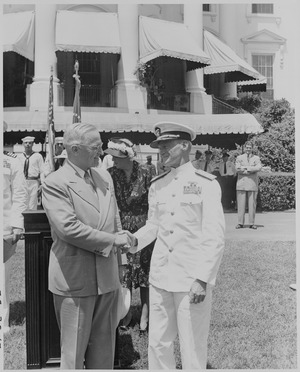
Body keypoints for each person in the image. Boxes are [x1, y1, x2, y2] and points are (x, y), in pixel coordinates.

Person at [129, 121, 225, 369]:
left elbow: (214, 236)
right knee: (158, 342)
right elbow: (154, 225)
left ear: (185, 146)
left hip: (190, 277)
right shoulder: (158, 184)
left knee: (192, 344)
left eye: (166, 145)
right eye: (158, 146)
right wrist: (134, 240)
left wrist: (202, 279)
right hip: (161, 275)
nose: (160, 151)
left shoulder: (206, 184)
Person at [42, 123, 135, 369]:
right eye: (96, 147)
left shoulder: (103, 177)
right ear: (74, 149)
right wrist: (113, 240)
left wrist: (121, 262)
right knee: (72, 354)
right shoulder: (55, 182)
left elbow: (114, 221)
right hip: (75, 282)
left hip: (107, 278)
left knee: (104, 352)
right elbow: (68, 228)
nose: (102, 151)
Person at [105, 138, 154, 333]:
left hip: (144, 228)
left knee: (145, 273)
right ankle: (124, 313)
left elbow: (154, 201)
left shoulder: (147, 172)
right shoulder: (109, 175)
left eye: (116, 156)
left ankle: (145, 316)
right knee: (122, 272)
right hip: (120, 227)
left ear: (128, 156)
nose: (112, 159)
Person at [3, 123, 28, 334]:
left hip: (3, 228)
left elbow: (20, 195)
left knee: (2, 276)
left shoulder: (12, 162)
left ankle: (2, 323)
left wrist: (17, 225)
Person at [235, 141, 262, 229]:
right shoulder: (239, 157)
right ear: (244, 148)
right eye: (247, 147)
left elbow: (258, 167)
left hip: (252, 184)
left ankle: (251, 223)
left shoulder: (256, 158)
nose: (248, 149)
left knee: (252, 205)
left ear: (252, 148)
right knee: (241, 204)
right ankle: (240, 223)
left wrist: (247, 169)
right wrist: (251, 169)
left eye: (250, 147)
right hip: (241, 183)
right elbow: (237, 168)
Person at [18, 136, 44, 210]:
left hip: (34, 183)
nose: (28, 144)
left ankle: (31, 220)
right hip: (22, 182)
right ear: (23, 144)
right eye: (26, 143)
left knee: (32, 204)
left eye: (30, 143)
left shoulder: (38, 156)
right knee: (23, 203)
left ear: (33, 144)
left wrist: (42, 184)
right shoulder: (19, 157)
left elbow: (42, 171)